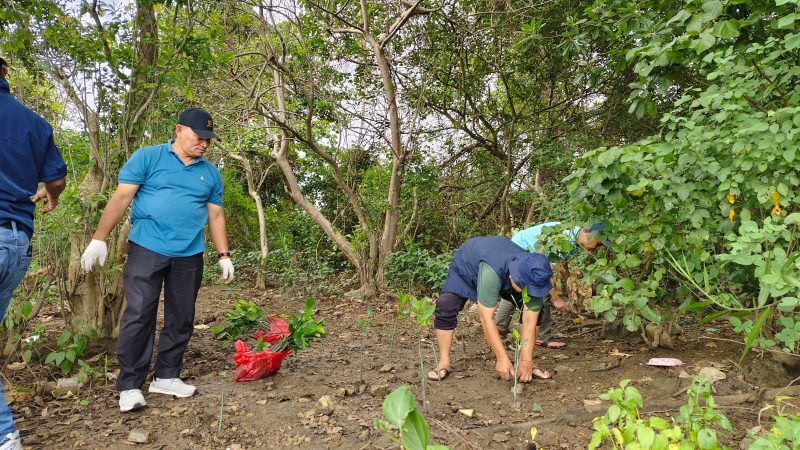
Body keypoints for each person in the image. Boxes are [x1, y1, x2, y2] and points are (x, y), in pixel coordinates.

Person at [80, 108, 234, 412]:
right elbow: (122, 198)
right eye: (199, 136)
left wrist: (224, 255)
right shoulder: (148, 157)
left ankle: (166, 376)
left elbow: (215, 213)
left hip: (189, 253)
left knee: (182, 317)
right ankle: (130, 385)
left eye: (209, 139)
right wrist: (99, 238)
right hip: (147, 248)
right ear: (178, 130)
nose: (204, 143)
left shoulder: (210, 173)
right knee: (139, 313)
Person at [0, 56, 67, 449]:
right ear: (5, 72)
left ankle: (5, 436)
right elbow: (55, 178)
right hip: (14, 239)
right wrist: (50, 194)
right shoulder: (33, 122)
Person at [427, 236, 555, 383]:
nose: (531, 291)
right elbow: (486, 318)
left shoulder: (535, 271)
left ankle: (522, 364)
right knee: (446, 305)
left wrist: (527, 360)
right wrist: (501, 358)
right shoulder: (492, 272)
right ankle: (444, 362)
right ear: (514, 277)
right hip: (469, 265)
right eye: (526, 287)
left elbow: (530, 320)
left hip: (503, 266)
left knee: (538, 311)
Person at [496, 222, 608, 349]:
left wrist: (568, 282)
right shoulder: (563, 239)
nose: (597, 248)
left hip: (522, 248)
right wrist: (556, 299)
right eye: (598, 243)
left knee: (516, 289)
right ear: (588, 234)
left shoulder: (572, 236)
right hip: (521, 248)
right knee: (541, 293)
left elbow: (561, 261)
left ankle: (500, 326)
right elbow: (545, 275)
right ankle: (542, 336)